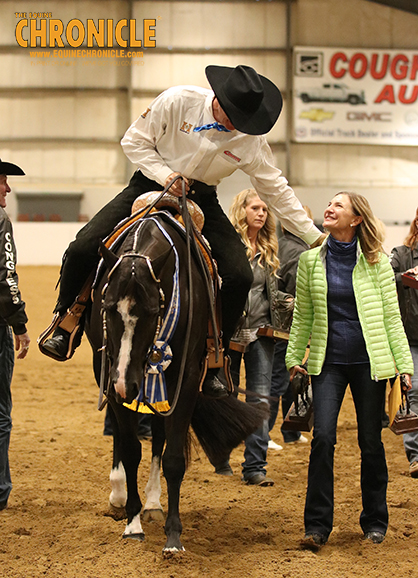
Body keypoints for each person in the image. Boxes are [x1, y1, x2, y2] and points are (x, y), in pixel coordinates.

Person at [41, 64, 323, 397]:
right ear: (217, 97)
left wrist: (313, 236)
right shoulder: (177, 101)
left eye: (242, 121)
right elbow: (134, 142)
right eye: (231, 115)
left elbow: (275, 188)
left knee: (240, 275)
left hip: (202, 196)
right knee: (83, 247)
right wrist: (165, 175)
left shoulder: (251, 139)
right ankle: (66, 320)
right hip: (150, 182)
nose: (235, 125)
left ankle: (215, 355)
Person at [286, 192, 414, 550]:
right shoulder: (310, 261)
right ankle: (316, 525)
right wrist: (294, 356)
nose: (329, 208)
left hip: (370, 364)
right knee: (323, 438)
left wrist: (403, 365)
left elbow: (392, 318)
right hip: (327, 363)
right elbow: (303, 315)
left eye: (338, 205)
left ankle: (375, 520)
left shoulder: (377, 262)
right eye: (330, 204)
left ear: (356, 219)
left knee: (370, 442)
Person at [227, 188, 281, 486]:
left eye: (264, 209)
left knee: (260, 397)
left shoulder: (270, 248)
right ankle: (223, 455)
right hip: (231, 331)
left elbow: (271, 292)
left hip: (262, 331)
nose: (261, 213)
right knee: (227, 394)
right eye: (256, 208)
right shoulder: (229, 246)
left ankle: (255, 467)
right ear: (242, 210)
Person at [268, 207, 313, 450]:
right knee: (279, 379)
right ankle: (267, 433)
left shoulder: (279, 245)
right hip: (287, 325)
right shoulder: (299, 251)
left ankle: (290, 432)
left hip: (275, 323)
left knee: (284, 378)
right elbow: (298, 291)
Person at [0, 159, 31, 509]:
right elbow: (6, 276)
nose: (7, 188)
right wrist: (19, 324)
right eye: (3, 181)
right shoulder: (0, 221)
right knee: (0, 411)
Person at [389, 207, 418, 478]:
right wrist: (409, 277)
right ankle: (416, 456)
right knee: (413, 393)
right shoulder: (401, 254)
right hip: (409, 337)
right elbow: (384, 280)